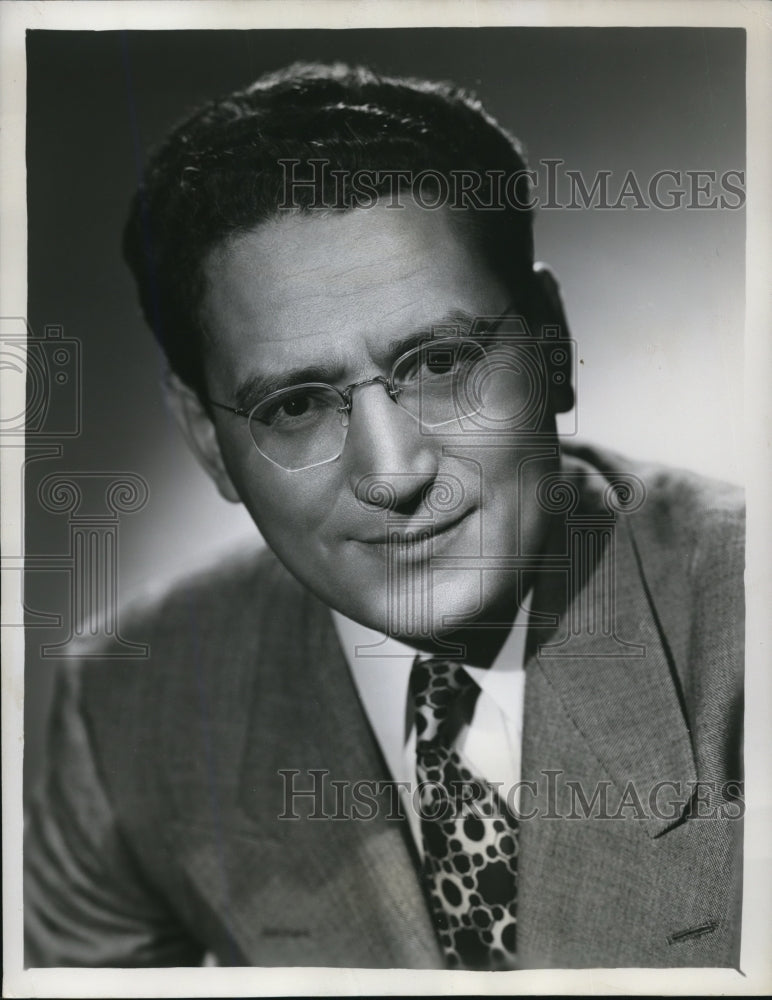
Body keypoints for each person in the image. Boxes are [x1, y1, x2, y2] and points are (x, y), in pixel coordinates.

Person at [24, 61, 744, 970]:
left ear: (553, 344)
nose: (394, 470)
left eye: (442, 361)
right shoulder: (134, 712)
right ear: (208, 441)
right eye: (295, 405)